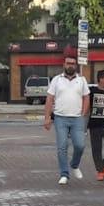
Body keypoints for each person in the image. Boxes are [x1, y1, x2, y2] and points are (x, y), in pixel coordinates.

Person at [42, 55, 90, 185]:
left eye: (73, 63)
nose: (70, 65)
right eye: (68, 63)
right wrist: (47, 118)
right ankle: (64, 174)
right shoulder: (56, 80)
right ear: (64, 64)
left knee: (80, 145)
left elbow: (86, 97)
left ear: (76, 65)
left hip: (77, 119)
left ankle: (74, 165)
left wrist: (83, 113)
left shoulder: (82, 80)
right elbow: (49, 99)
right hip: (60, 118)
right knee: (62, 147)